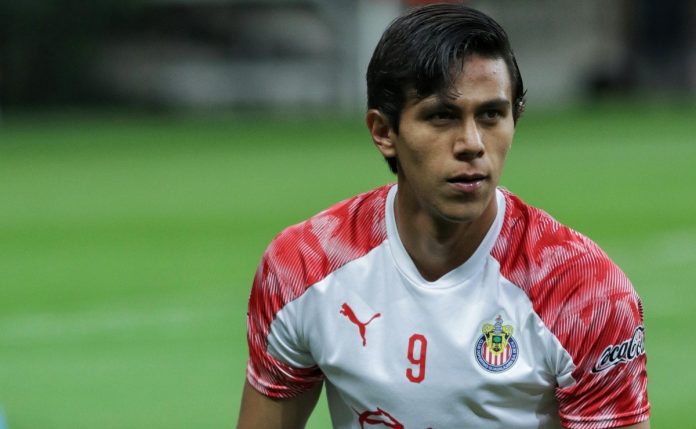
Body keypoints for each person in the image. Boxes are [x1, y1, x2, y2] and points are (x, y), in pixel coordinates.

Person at [236, 4, 650, 429]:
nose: (472, 143)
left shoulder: (583, 290)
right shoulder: (305, 265)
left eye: (491, 115)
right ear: (384, 132)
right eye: (441, 116)